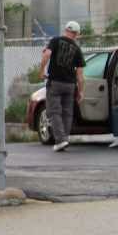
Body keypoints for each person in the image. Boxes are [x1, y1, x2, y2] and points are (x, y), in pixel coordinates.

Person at [40, 20, 85, 152]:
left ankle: (60, 140)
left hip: (55, 82)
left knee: (54, 112)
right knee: (67, 113)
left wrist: (41, 70)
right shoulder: (77, 49)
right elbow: (81, 76)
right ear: (76, 34)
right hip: (70, 85)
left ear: (66, 30)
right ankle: (64, 138)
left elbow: (47, 54)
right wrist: (81, 91)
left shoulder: (55, 41)